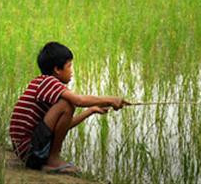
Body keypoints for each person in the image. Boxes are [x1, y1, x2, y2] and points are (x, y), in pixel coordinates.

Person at [9, 41, 128, 175]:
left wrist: (91, 110)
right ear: (57, 69)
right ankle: (52, 160)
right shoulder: (48, 82)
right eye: (69, 66)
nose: (72, 71)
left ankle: (48, 161)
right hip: (30, 151)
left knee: (67, 104)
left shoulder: (42, 83)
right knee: (67, 103)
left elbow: (63, 126)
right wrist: (111, 99)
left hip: (28, 152)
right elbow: (78, 100)